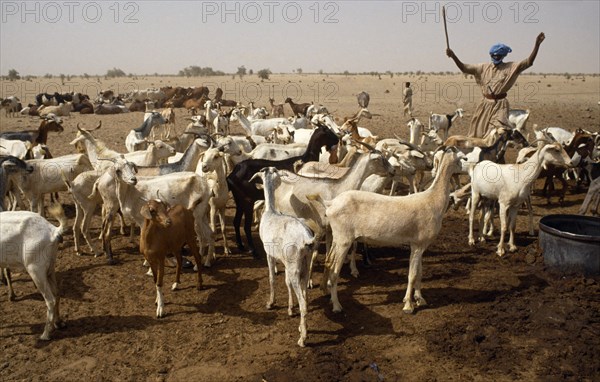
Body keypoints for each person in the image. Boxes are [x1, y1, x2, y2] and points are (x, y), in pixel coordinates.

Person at [446, 32, 545, 137]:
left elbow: (528, 62)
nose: (496, 57)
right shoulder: (482, 67)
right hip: (484, 104)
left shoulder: (511, 67)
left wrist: (537, 45)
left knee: (498, 132)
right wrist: (453, 56)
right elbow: (464, 68)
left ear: (503, 56)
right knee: (477, 133)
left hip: (500, 105)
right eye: (494, 55)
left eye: (498, 55)